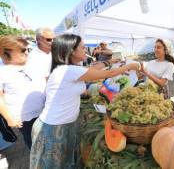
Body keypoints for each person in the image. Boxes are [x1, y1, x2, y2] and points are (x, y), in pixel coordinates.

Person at [30, 34, 140, 169]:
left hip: (61, 124)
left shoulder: (66, 69)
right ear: (71, 51)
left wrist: (109, 63)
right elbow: (108, 74)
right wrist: (130, 66)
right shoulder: (69, 70)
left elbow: (91, 70)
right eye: (82, 47)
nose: (85, 50)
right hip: (53, 128)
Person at [0, 35, 47, 148]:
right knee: (34, 143)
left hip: (44, 109)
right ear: (6, 52)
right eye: (22, 50)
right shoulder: (2, 70)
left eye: (27, 49)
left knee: (48, 139)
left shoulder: (32, 62)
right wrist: (9, 118)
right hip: (25, 118)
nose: (26, 52)